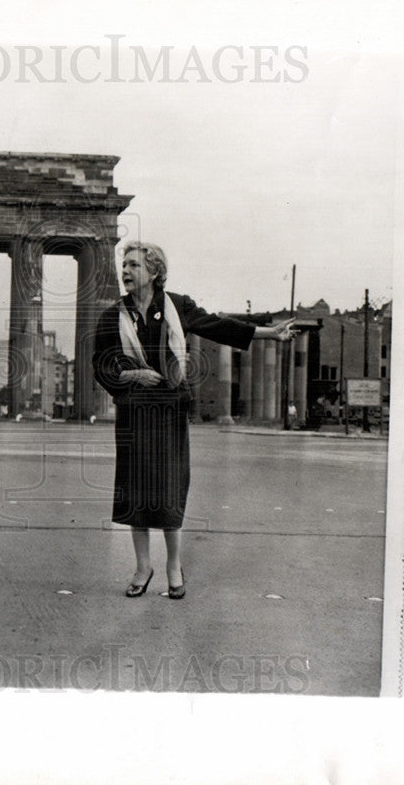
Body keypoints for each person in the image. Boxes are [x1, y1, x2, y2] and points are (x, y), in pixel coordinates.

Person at [93, 242, 294, 600]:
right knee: (137, 490)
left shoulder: (178, 306)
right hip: (134, 411)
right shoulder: (112, 316)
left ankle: (172, 565)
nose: (125, 271)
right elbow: (101, 363)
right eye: (123, 265)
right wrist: (133, 376)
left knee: (168, 489)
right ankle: (142, 566)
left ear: (154, 272)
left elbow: (216, 325)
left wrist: (268, 333)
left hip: (169, 410)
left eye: (134, 265)